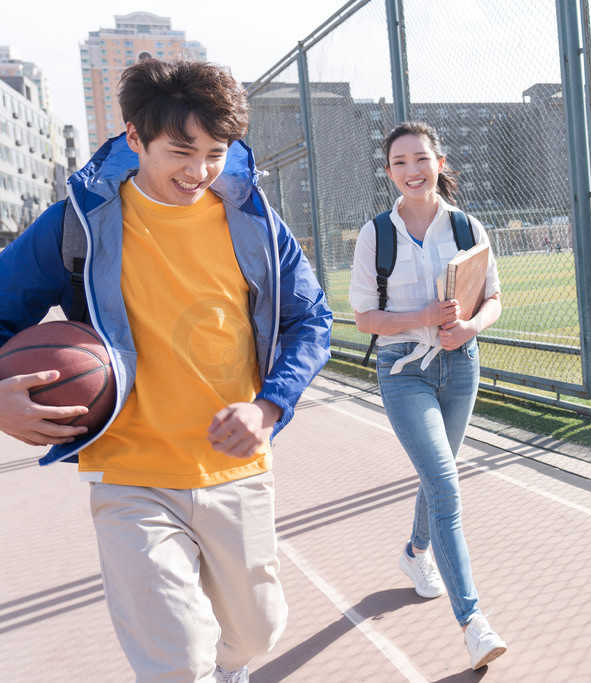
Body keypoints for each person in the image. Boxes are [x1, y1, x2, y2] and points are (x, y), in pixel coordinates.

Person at [0, 58, 333, 682]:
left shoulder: (254, 223)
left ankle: (229, 667)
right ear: (134, 138)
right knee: (176, 665)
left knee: (258, 632)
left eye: (215, 152)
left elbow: (312, 320)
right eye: (182, 151)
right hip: (131, 474)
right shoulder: (80, 223)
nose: (199, 171)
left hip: (234, 467)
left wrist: (268, 406)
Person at [349, 121, 506, 670]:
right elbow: (364, 316)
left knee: (436, 476)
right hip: (402, 370)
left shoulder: (467, 227)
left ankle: (415, 553)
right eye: (399, 163)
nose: (411, 170)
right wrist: (422, 318)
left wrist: (470, 329)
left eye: (420, 159)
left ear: (439, 162)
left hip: (461, 366)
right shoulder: (376, 234)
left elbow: (493, 299)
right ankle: (474, 622)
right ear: (389, 172)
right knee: (444, 480)